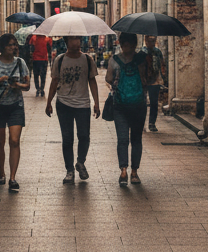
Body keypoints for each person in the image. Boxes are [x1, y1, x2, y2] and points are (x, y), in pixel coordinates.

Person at [45, 36, 100, 183]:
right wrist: (49, 102)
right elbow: (54, 81)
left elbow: (92, 81)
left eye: (78, 39)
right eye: (73, 39)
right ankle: (69, 170)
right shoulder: (60, 60)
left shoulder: (87, 60)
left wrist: (97, 103)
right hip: (64, 104)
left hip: (83, 104)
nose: (76, 42)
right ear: (67, 42)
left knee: (84, 136)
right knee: (67, 138)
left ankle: (80, 162)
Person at [0, 33, 30, 193]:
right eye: (10, 44)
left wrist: (18, 85)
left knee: (14, 140)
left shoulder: (21, 63)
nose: (13, 47)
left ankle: (12, 178)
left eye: (15, 44)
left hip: (16, 106)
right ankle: (1, 173)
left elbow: (27, 85)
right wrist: (0, 80)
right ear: (1, 47)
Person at [105, 32, 155, 186]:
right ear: (135, 43)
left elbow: (108, 79)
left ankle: (123, 171)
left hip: (120, 105)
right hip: (139, 104)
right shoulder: (143, 58)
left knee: (122, 140)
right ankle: (134, 173)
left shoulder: (114, 60)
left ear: (121, 44)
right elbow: (152, 78)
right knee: (136, 139)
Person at [137, 35, 165, 131]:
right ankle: (141, 123)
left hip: (155, 81)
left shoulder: (157, 52)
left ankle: (152, 123)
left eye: (153, 41)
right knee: (142, 103)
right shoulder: (142, 53)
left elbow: (162, 64)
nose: (152, 43)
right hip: (144, 81)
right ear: (146, 40)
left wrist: (162, 76)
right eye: (150, 41)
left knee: (154, 102)